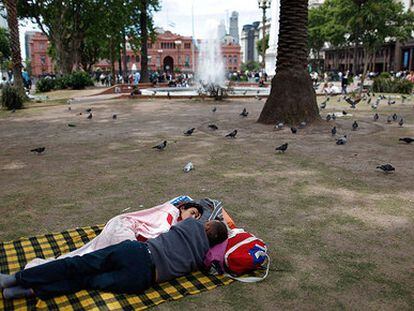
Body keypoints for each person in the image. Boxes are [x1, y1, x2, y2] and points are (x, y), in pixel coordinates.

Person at [0, 219, 228, 300]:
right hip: (141, 279)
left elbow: (186, 217)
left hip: (137, 252)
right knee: (84, 281)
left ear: (207, 225)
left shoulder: (190, 225)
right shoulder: (202, 259)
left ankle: (16, 279)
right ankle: (27, 292)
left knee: (77, 265)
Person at [25, 201, 204, 269]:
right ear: (183, 208)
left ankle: (43, 268)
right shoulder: (170, 213)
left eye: (197, 217)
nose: (194, 218)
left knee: (89, 254)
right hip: (124, 228)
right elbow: (158, 231)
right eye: (193, 212)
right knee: (94, 259)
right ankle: (43, 269)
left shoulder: (178, 223)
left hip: (127, 233)